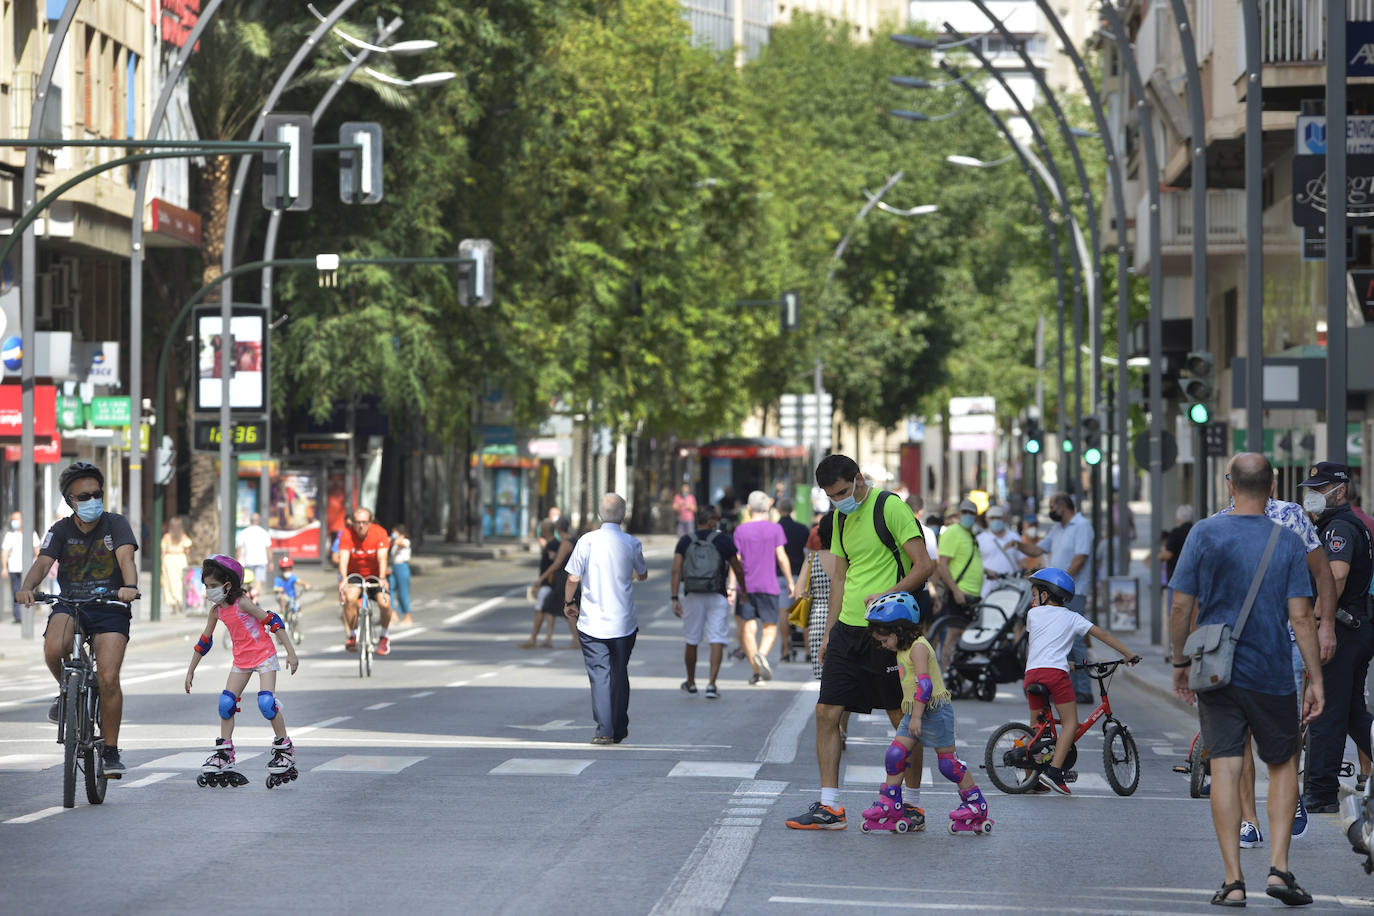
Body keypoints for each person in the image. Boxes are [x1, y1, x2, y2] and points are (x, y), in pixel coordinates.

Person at [1170, 452, 1323, 908]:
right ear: (1273, 485)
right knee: (1282, 763)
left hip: (1216, 669)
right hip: (1272, 671)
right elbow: (1301, 617)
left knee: (1225, 766)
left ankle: (1233, 880)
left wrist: (1179, 661)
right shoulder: (1289, 541)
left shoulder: (1203, 533)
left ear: (1230, 485)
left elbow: (1181, 607)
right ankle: (1278, 870)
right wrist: (1315, 678)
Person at [785, 455, 934, 831]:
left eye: (841, 492)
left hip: (888, 632)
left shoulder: (890, 508)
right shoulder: (838, 518)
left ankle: (912, 806)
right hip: (848, 632)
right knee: (826, 714)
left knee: (901, 719)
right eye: (830, 496)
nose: (838, 501)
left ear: (857, 479)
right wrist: (830, 631)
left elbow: (923, 566)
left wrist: (888, 594)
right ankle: (830, 807)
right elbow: (840, 578)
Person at [1213, 481, 1337, 845]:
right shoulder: (1218, 524)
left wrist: (1325, 624)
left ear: (1232, 485)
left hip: (1287, 639)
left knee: (1288, 725)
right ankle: (1250, 819)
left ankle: (1288, 792)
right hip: (1242, 642)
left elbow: (1322, 570)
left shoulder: (1291, 515)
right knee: (1245, 731)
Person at [16, 462, 139, 776]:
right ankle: (68, 691)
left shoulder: (116, 524)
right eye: (84, 497)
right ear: (70, 501)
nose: (92, 501)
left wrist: (129, 587)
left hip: (111, 605)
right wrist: (27, 587)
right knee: (54, 648)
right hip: (70, 603)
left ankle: (110, 751)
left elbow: (126, 558)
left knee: (109, 678)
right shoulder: (60, 530)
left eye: (96, 494)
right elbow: (43, 563)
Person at [861, 591, 992, 834]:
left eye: (884, 639)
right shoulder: (901, 645)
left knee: (948, 765)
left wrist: (918, 717)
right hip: (914, 709)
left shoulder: (918, 647)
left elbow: (925, 685)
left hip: (935, 711)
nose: (883, 644)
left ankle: (976, 805)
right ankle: (890, 805)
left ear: (898, 630)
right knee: (895, 755)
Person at [1297, 461, 1374, 816]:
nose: (1312, 495)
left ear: (1340, 491)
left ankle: (1321, 791)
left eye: (1319, 488)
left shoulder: (1340, 527)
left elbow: (1337, 577)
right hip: (1355, 629)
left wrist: (1317, 619)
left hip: (1341, 629)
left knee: (1327, 711)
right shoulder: (1335, 524)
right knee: (1354, 712)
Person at [1022, 567, 1140, 794]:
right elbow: (1102, 635)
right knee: (1070, 724)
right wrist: (1128, 654)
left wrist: (1067, 663)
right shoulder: (1072, 617)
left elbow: (1043, 644)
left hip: (1032, 673)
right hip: (1055, 674)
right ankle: (1055, 773)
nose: (1034, 597)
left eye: (1035, 592)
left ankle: (1030, 778)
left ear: (1046, 595)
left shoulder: (1032, 615)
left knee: (1035, 727)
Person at [185, 554, 300, 782]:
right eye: (206, 586)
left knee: (266, 703)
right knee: (226, 703)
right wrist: (191, 669)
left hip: (264, 655)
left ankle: (285, 749)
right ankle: (225, 753)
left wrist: (291, 652)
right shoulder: (216, 611)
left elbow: (272, 620)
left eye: (214, 586)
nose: (209, 591)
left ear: (228, 586)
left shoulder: (243, 603)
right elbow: (204, 641)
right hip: (241, 660)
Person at [564, 493, 648, 745]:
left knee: (599, 674)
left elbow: (572, 577)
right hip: (624, 623)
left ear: (599, 515)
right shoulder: (631, 543)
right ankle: (620, 727)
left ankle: (603, 730)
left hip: (591, 623)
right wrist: (629, 575)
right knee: (619, 672)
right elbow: (642, 574)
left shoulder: (586, 541)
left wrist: (569, 602)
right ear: (623, 516)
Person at [1019, 492, 1094, 702]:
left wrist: (1062, 581)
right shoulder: (1057, 529)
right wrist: (1017, 544)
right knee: (1061, 639)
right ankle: (1065, 688)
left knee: (1077, 640)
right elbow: (1036, 549)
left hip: (1073, 591)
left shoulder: (1082, 526)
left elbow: (1081, 557)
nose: (1051, 510)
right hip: (1058, 591)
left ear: (1063, 506)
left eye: (1052, 506)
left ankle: (1084, 689)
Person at [670, 505, 746, 698]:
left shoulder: (686, 541)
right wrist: (743, 590)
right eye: (717, 518)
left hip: (692, 595)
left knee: (692, 639)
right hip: (717, 594)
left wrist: (674, 597)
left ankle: (691, 682)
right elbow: (737, 568)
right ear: (711, 521)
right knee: (717, 638)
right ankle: (712, 685)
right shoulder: (723, 540)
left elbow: (676, 570)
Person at [733, 490, 794, 684]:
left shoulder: (740, 530)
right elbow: (782, 557)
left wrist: (732, 586)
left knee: (748, 630)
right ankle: (762, 653)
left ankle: (756, 671)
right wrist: (791, 582)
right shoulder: (775, 529)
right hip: (769, 585)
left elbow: (737, 561)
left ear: (749, 508)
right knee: (769, 628)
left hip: (747, 587)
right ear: (767, 507)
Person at [933, 499, 984, 670]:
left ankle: (959, 673)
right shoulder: (953, 532)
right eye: (965, 513)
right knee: (953, 633)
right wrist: (955, 590)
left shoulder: (971, 534)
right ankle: (946, 671)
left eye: (972, 514)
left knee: (965, 635)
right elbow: (942, 564)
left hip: (973, 594)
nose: (968, 516)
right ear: (959, 514)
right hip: (960, 592)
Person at [337, 507, 394, 656]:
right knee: (349, 598)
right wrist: (343, 579)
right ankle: (353, 634)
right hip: (355, 574)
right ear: (353, 523)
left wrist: (382, 578)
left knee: (384, 603)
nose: (361, 526)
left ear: (370, 522)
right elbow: (343, 557)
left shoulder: (379, 532)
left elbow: (382, 558)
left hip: (376, 574)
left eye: (364, 522)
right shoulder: (347, 533)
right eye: (357, 522)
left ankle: (384, 636)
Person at [802, 512, 837, 681]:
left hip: (818, 620)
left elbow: (800, 591)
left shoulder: (813, 558)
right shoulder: (850, 558)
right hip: (845, 618)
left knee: (825, 679)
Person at [521, 520, 565, 648]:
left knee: (539, 609)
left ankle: (533, 638)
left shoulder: (553, 545)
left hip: (549, 583)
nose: (540, 531)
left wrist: (540, 580)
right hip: (551, 583)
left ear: (546, 531)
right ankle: (548, 639)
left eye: (542, 529)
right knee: (549, 610)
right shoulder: (553, 544)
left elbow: (555, 564)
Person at [976, 505, 1026, 597]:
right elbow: (975, 564)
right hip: (988, 588)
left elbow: (1022, 562)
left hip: (1011, 588)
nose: (995, 520)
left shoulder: (1014, 537)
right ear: (986, 520)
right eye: (992, 518)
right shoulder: (980, 539)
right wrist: (987, 571)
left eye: (998, 518)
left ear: (1004, 518)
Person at [3, 511, 37, 624]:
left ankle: (28, 616)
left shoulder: (30, 533)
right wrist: (4, 567)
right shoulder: (9, 535)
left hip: (29, 570)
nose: (15, 522)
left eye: (17, 519)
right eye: (13, 520)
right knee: (16, 592)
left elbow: (38, 551)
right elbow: (5, 552)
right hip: (14, 569)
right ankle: (18, 617)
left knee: (29, 592)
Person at [160, 516, 192, 615]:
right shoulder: (184, 537)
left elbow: (163, 551)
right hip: (180, 559)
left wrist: (162, 564)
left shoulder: (166, 537)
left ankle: (174, 607)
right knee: (181, 582)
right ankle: (180, 602)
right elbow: (187, 551)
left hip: (169, 560)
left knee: (170, 583)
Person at [234, 512, 272, 591]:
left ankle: (251, 599)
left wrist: (237, 563)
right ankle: (256, 600)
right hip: (261, 561)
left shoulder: (244, 533)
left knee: (249, 582)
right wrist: (271, 562)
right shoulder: (264, 533)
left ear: (250, 521)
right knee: (258, 583)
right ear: (259, 521)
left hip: (248, 561)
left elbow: (239, 550)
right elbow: (269, 549)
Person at [273, 555, 309, 625]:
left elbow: (300, 582)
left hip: (292, 597)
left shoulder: (292, 577)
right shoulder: (278, 579)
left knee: (297, 612)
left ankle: (296, 631)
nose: (286, 571)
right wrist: (278, 589)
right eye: (284, 569)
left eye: (288, 569)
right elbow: (275, 589)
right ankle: (282, 613)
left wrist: (305, 585)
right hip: (283, 598)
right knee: (282, 598)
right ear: (281, 569)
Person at [389, 523, 413, 626]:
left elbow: (401, 543)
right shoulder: (394, 542)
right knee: (389, 589)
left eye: (394, 532)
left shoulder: (405, 541)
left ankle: (408, 617)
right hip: (394, 567)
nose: (392, 534)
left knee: (403, 593)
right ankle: (393, 613)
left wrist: (394, 539)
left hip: (403, 567)